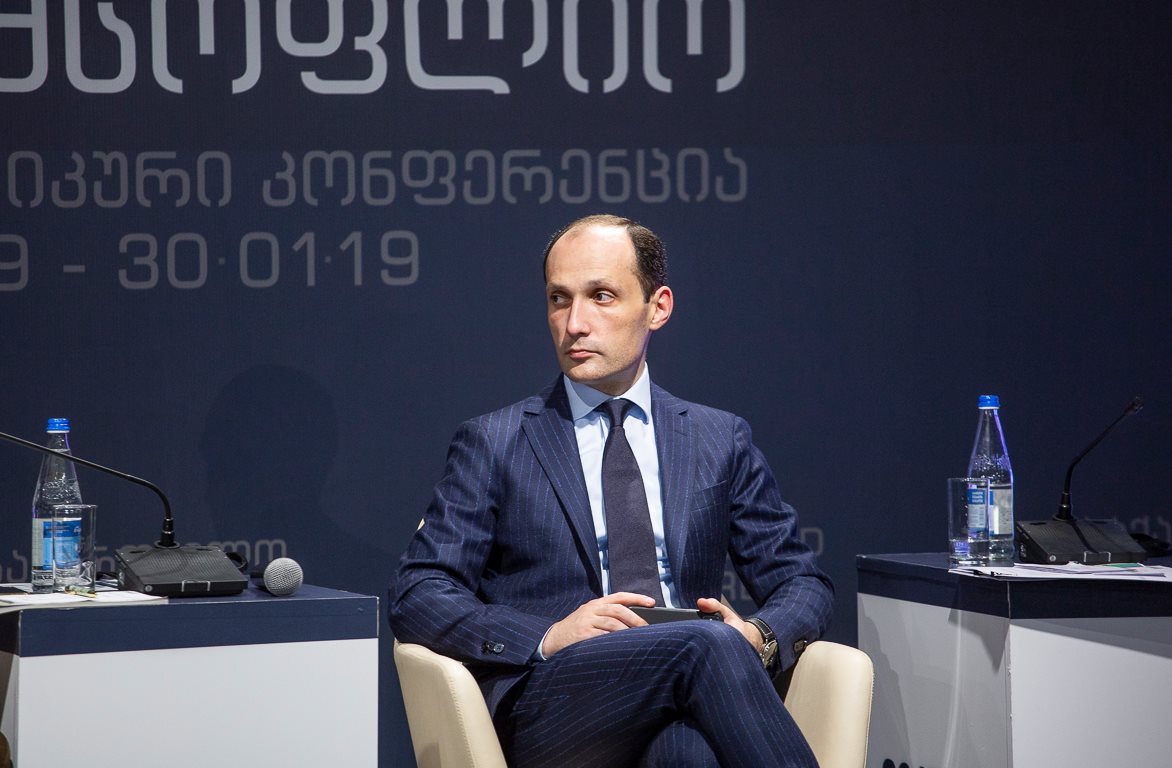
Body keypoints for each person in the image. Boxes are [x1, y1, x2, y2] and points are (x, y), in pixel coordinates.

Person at [390, 214, 834, 767]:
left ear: (658, 307)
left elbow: (801, 581)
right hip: (556, 703)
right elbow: (419, 593)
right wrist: (549, 634)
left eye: (601, 296)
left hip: (692, 685)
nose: (574, 323)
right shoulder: (495, 441)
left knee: (685, 753)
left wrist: (759, 637)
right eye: (559, 299)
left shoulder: (718, 438)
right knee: (705, 643)